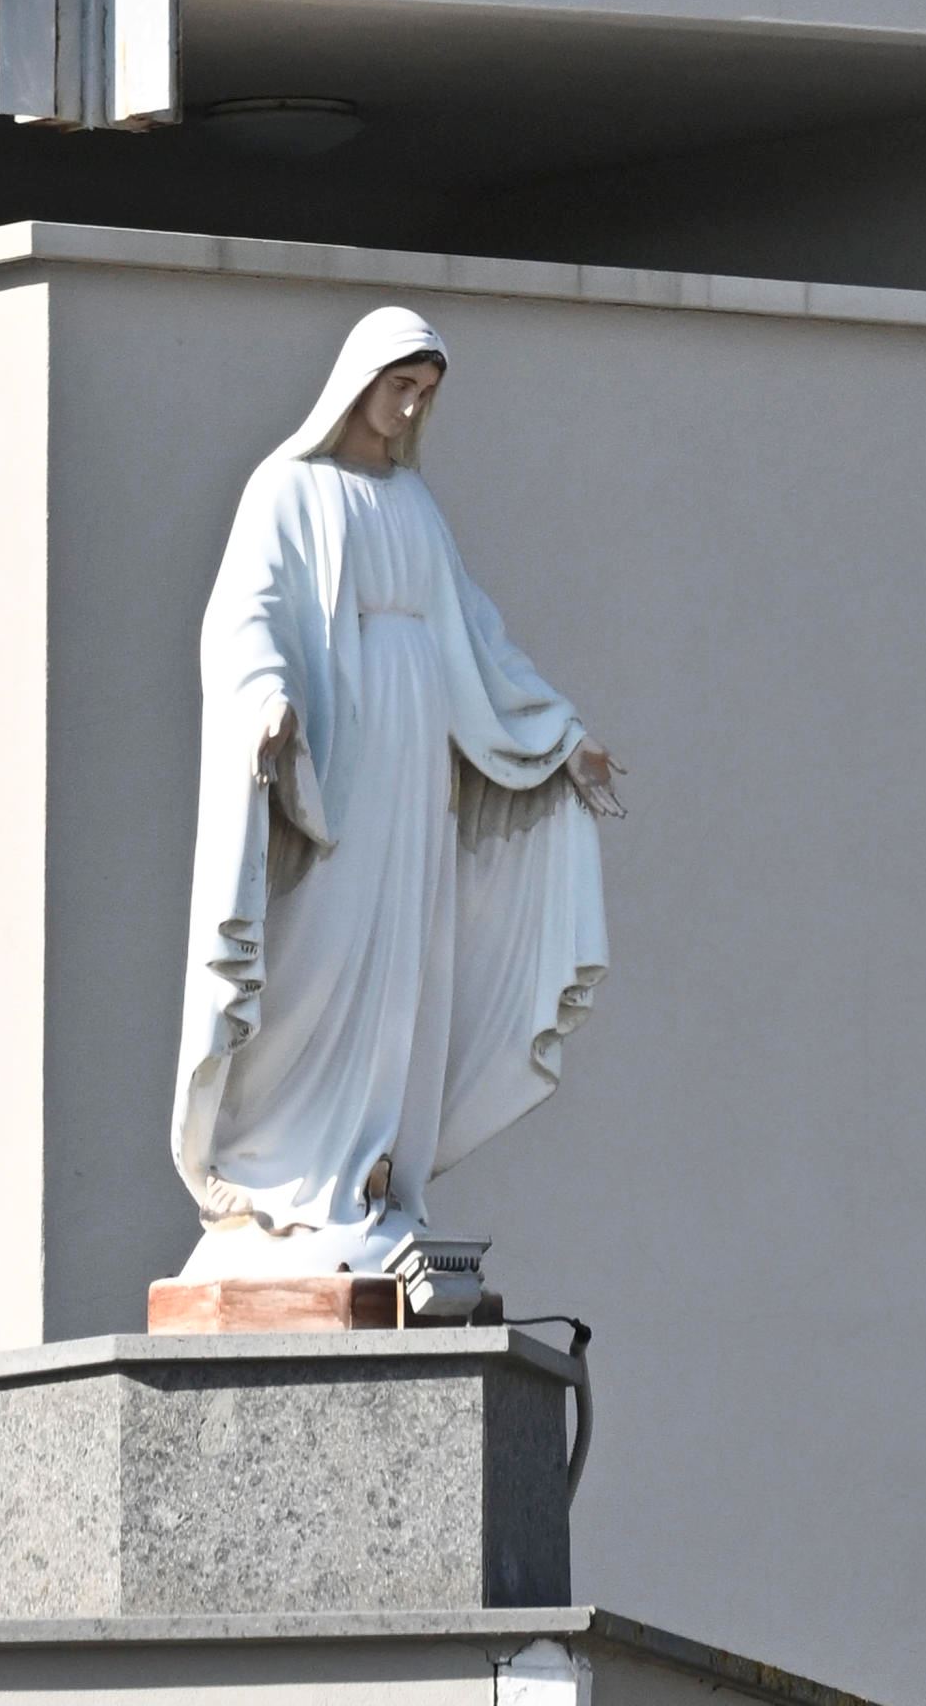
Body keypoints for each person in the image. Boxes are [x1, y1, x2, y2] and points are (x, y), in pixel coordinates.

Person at [171, 306, 622, 1278]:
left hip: (417, 761)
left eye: (423, 392)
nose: (409, 406)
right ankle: (284, 1170)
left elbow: (479, 638)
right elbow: (242, 615)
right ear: (357, 382)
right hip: (336, 756)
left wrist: (561, 736)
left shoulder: (414, 506)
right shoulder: (286, 491)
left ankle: (372, 1175)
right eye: (397, 386)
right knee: (323, 956)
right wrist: (264, 702)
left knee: (400, 967)